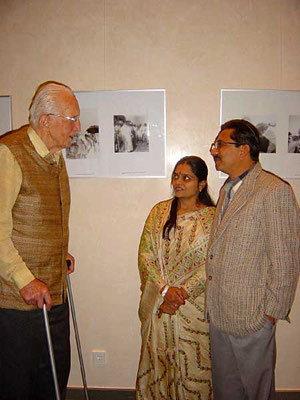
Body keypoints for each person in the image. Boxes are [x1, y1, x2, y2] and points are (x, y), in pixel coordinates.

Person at [206, 119, 300, 400]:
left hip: (253, 315)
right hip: (221, 312)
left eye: (220, 144)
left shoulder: (273, 191)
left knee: (257, 391)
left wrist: (271, 313)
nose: (214, 151)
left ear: (244, 149)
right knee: (226, 390)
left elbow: (285, 259)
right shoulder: (226, 189)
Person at [0, 81, 80, 400]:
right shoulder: (9, 153)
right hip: (17, 300)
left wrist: (61, 252)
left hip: (53, 292)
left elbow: (40, 218)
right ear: (46, 120)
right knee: (19, 384)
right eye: (71, 119)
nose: (77, 128)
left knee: (54, 377)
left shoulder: (55, 157)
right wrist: (25, 280)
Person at [136, 156, 215, 400]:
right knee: (159, 361)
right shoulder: (159, 212)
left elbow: (213, 262)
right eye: (176, 176)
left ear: (201, 184)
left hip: (195, 308)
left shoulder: (213, 217)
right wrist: (164, 291)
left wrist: (181, 294)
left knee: (196, 368)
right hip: (160, 305)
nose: (178, 182)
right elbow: (146, 254)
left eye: (186, 178)